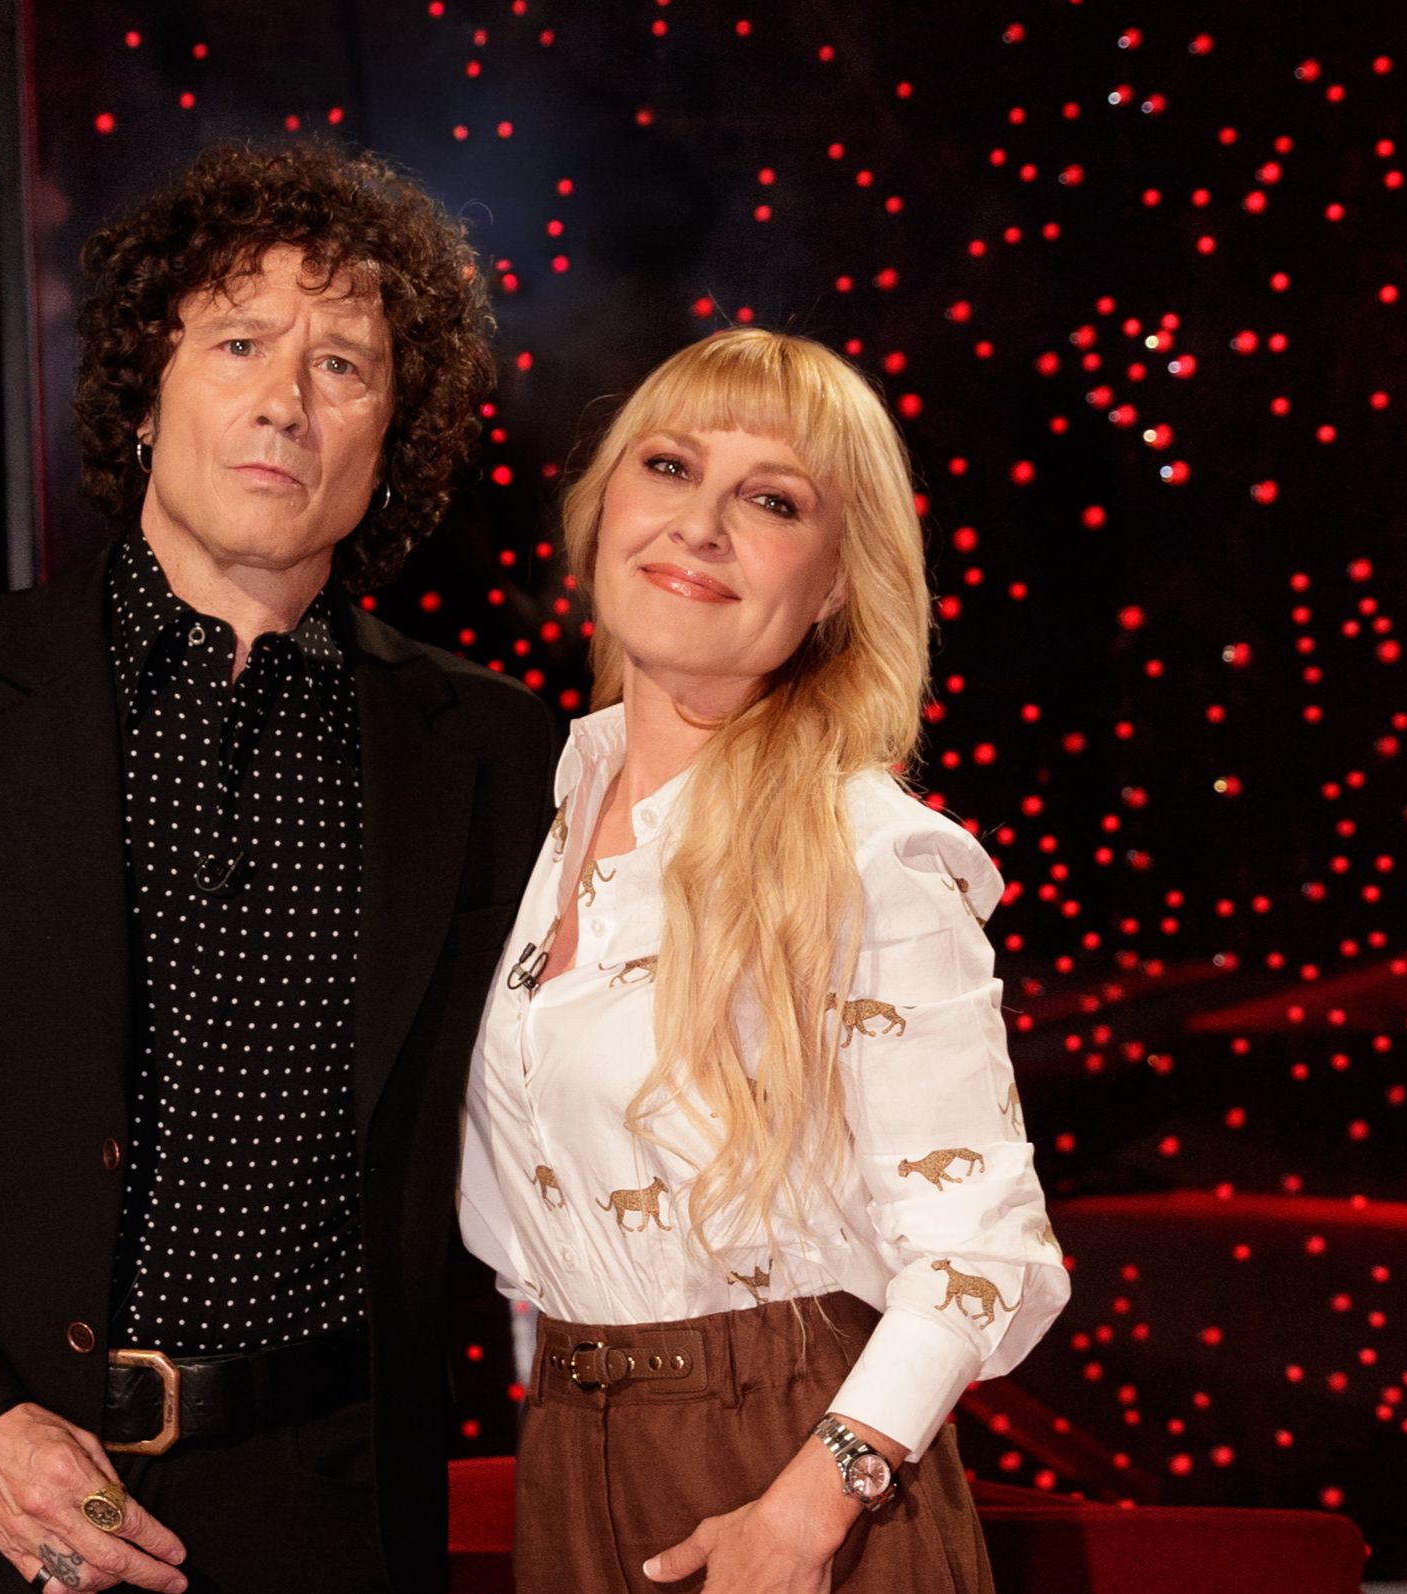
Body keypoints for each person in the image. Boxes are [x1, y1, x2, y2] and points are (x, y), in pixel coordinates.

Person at [0, 142, 554, 1594]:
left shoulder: (492, 746)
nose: (285, 399)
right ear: (145, 388)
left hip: (327, 1521)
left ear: (393, 437)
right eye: (238, 341)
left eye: (343, 365)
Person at [458, 327, 1071, 1592]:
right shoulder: (530, 813)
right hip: (566, 1447)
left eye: (773, 500)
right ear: (601, 508)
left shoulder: (869, 851)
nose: (700, 524)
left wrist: (803, 1514)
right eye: (670, 467)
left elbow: (985, 1249)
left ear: (838, 582)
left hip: (800, 1474)